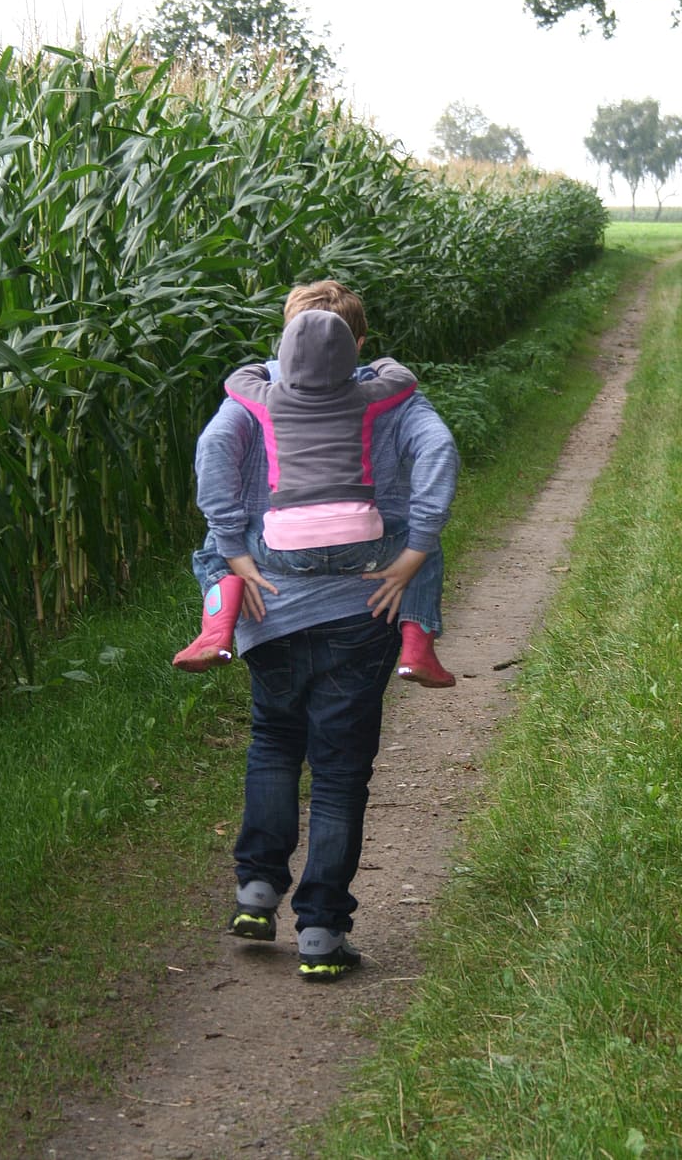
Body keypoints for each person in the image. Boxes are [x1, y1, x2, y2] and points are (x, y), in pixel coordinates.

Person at [184, 280, 459, 979]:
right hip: (365, 603)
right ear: (359, 344)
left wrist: (233, 548)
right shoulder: (387, 396)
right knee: (339, 773)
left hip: (266, 602)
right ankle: (321, 930)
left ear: (283, 336)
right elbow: (440, 453)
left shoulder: (254, 396)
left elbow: (214, 450)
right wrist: (416, 549)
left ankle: (256, 886)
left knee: (273, 739)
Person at [173, 306, 454, 687]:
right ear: (355, 353)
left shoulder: (268, 399)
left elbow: (237, 381)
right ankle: (419, 641)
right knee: (425, 543)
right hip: (363, 543)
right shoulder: (366, 397)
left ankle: (215, 629)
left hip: (283, 548)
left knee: (214, 544)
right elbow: (403, 380)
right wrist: (381, 363)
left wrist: (235, 552)